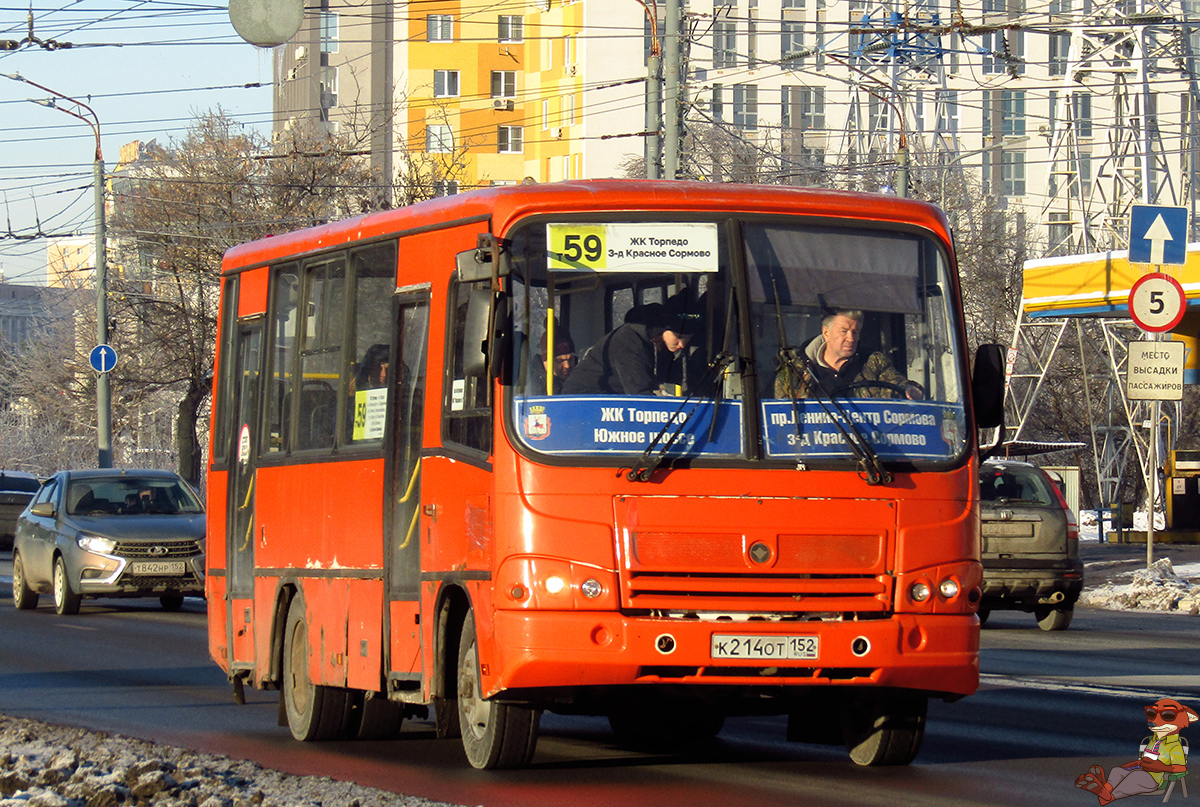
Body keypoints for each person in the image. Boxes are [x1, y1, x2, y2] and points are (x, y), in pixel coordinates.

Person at [775, 309, 924, 400]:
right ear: (826, 333)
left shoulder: (875, 362)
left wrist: (908, 389)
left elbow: (895, 383)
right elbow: (780, 418)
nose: (851, 338)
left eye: (855, 332)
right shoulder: (795, 371)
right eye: (844, 331)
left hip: (865, 448)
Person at [562, 304, 699, 395]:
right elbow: (639, 391)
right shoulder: (628, 341)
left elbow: (668, 375)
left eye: (687, 339)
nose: (682, 345)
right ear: (664, 329)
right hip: (586, 399)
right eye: (679, 337)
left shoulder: (657, 344)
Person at [528, 329, 577, 395]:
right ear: (545, 361)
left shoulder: (580, 377)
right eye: (560, 361)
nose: (567, 366)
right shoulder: (532, 384)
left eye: (571, 359)